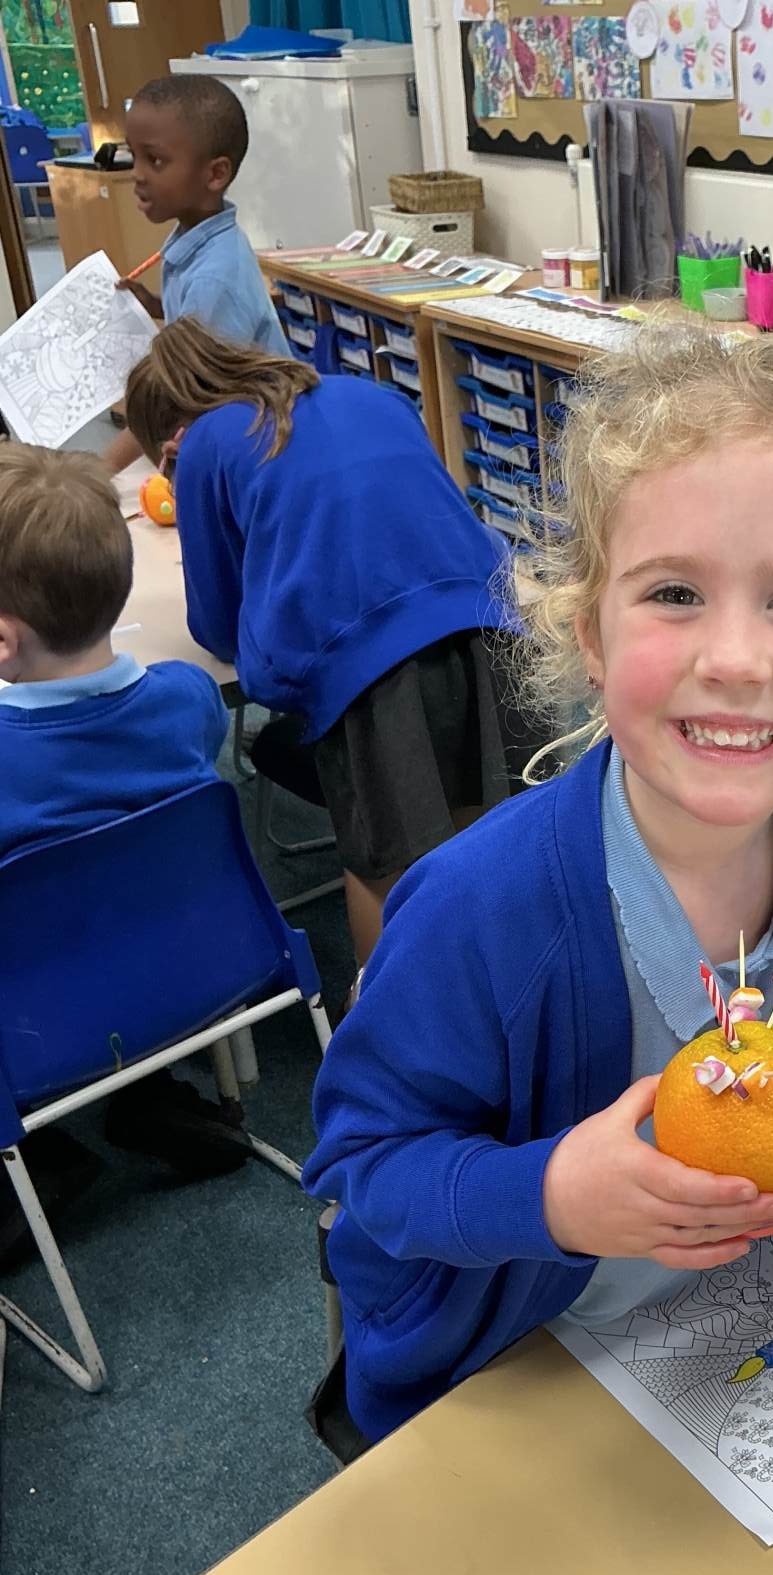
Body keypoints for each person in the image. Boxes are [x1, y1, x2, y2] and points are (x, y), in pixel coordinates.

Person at [301, 329, 773, 1446]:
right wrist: (551, 1195)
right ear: (593, 639)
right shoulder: (476, 911)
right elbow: (366, 1164)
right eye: (674, 592)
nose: (736, 659)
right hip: (510, 1356)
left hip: (724, 1327)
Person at [123, 318, 524, 966]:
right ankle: (502, 984)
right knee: (488, 831)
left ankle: (384, 1015)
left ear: (172, 439)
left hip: (370, 667)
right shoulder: (369, 394)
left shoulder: (205, 444)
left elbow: (216, 628)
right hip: (492, 626)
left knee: (382, 863)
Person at [0, 441, 242, 1214]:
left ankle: (29, 1168)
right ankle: (150, 1094)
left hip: (34, 1021)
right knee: (119, 873)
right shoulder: (188, 698)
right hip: (190, 974)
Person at [106, 74, 288, 477]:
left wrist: (102, 466)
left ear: (215, 174)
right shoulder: (195, 240)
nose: (138, 174)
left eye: (155, 160)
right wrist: (155, 305)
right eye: (134, 156)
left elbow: (181, 393)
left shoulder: (213, 279)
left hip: (261, 443)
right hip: (230, 420)